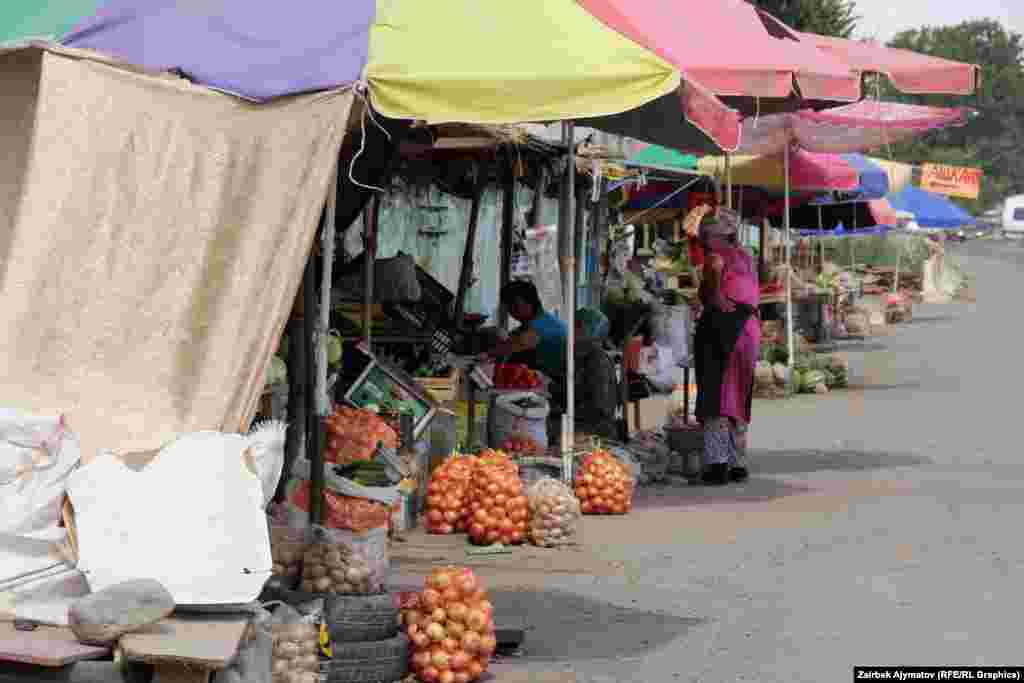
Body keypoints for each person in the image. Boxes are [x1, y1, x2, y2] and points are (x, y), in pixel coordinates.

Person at [692, 206, 760, 485]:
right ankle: (737, 463)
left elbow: (709, 295)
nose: (704, 241)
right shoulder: (746, 256)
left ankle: (717, 464)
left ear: (715, 236)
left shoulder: (715, 259)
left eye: (706, 235)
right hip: (749, 328)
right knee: (738, 393)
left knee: (716, 394)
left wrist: (711, 297)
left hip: (724, 327)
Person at [574, 307, 619, 441]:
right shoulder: (583, 356)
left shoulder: (597, 360)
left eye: (577, 326)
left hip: (595, 433)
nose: (572, 331)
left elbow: (599, 407)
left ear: (590, 331)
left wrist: (568, 411)